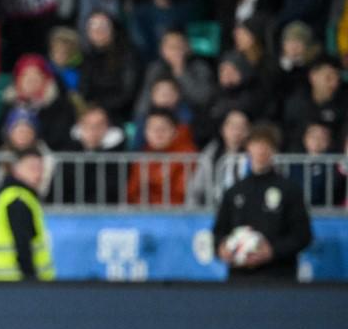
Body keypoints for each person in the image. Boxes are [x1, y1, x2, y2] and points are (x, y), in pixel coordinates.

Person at [214, 123, 313, 281]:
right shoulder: (234, 191)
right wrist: (221, 247)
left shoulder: (289, 190)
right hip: (239, 279)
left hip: (278, 277)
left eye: (266, 145)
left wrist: (272, 251)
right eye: (256, 144)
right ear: (248, 148)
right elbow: (218, 231)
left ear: (274, 150)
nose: (261, 150)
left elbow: (303, 235)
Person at [0, 148, 55, 281]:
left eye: (40, 168)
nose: (38, 173)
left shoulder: (18, 195)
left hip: (9, 280)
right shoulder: (17, 199)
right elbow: (22, 242)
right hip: (17, 282)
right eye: (32, 167)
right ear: (16, 169)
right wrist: (30, 277)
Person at [52, 104, 126, 205]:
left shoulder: (118, 155)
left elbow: (113, 190)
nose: (93, 130)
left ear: (107, 127)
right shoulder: (68, 153)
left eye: (99, 125)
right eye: (88, 124)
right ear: (80, 125)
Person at [127, 107, 197, 206]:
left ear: (175, 130)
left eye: (163, 128)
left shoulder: (187, 156)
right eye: (152, 128)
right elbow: (132, 193)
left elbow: (181, 194)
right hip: (143, 216)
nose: (157, 133)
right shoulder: (142, 157)